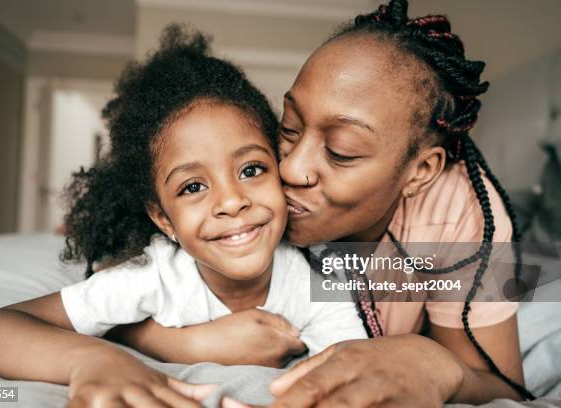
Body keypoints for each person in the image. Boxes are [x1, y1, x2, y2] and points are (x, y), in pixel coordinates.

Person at [117, 1, 534, 406]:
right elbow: (112, 293)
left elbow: (504, 388)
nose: (293, 169)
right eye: (291, 127)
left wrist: (435, 363)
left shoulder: (458, 208)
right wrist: (178, 342)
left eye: (341, 151)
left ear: (420, 171)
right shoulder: (248, 183)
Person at [0, 26, 367, 407]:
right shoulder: (154, 275)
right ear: (163, 219)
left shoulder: (315, 281)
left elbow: (356, 369)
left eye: (251, 170)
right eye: (193, 187)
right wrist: (92, 360)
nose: (232, 201)